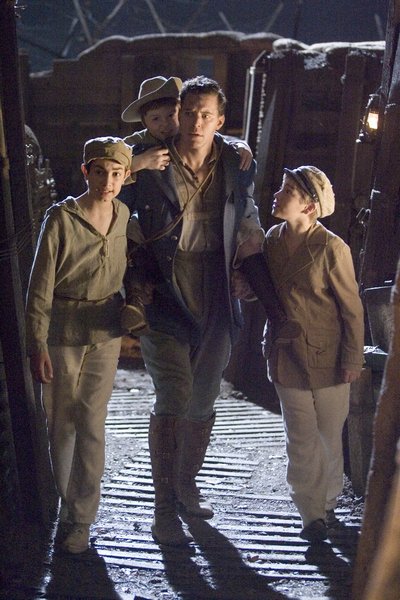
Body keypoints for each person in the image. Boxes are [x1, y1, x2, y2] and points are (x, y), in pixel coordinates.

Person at [122, 75, 300, 547]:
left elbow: (247, 220)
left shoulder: (236, 162)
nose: (196, 122)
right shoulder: (149, 159)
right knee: (174, 394)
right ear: (178, 113)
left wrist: (249, 271)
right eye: (189, 113)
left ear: (220, 120)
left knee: (202, 398)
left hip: (217, 289)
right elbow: (108, 188)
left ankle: (186, 485)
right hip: (164, 288)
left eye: (206, 115)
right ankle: (163, 508)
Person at [25, 136, 132, 554]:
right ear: (86, 172)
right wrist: (37, 342)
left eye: (116, 174)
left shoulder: (123, 214)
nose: (108, 182)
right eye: (100, 172)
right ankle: (65, 504)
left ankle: (81, 516)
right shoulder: (61, 219)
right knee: (61, 422)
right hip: (63, 331)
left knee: (91, 420)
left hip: (105, 329)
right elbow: (40, 284)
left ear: (125, 177)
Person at [262, 165, 364, 543]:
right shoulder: (271, 240)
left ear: (309, 206)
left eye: (287, 190)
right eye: (281, 187)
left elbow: (352, 310)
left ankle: (329, 501)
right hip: (285, 352)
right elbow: (266, 290)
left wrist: (352, 359)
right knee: (300, 437)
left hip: (328, 355)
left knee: (328, 435)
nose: (278, 194)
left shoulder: (333, 248)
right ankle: (311, 514)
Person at [119, 75, 255, 333]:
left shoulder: (211, 146)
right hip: (155, 230)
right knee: (134, 233)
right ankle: (135, 295)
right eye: (155, 119)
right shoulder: (140, 144)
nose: (165, 125)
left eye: (171, 115)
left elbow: (214, 136)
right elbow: (111, 163)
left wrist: (238, 143)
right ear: (145, 123)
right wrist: (138, 163)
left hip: (206, 258)